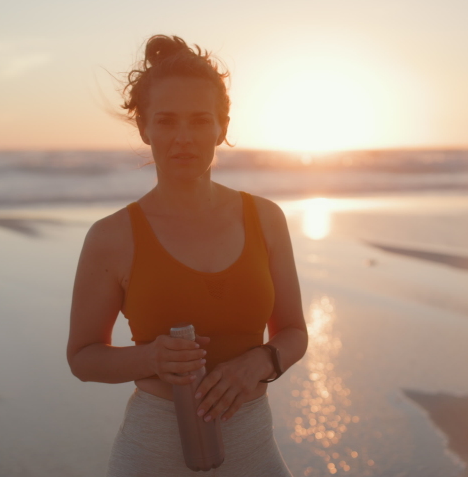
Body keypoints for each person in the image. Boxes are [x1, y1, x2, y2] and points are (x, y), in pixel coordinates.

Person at [66, 34, 308, 476]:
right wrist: (150, 358)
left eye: (199, 121)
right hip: (152, 453)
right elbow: (82, 357)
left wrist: (259, 361)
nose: (183, 138)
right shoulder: (111, 237)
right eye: (166, 121)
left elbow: (293, 332)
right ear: (144, 128)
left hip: (253, 447)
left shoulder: (266, 218)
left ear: (223, 126)